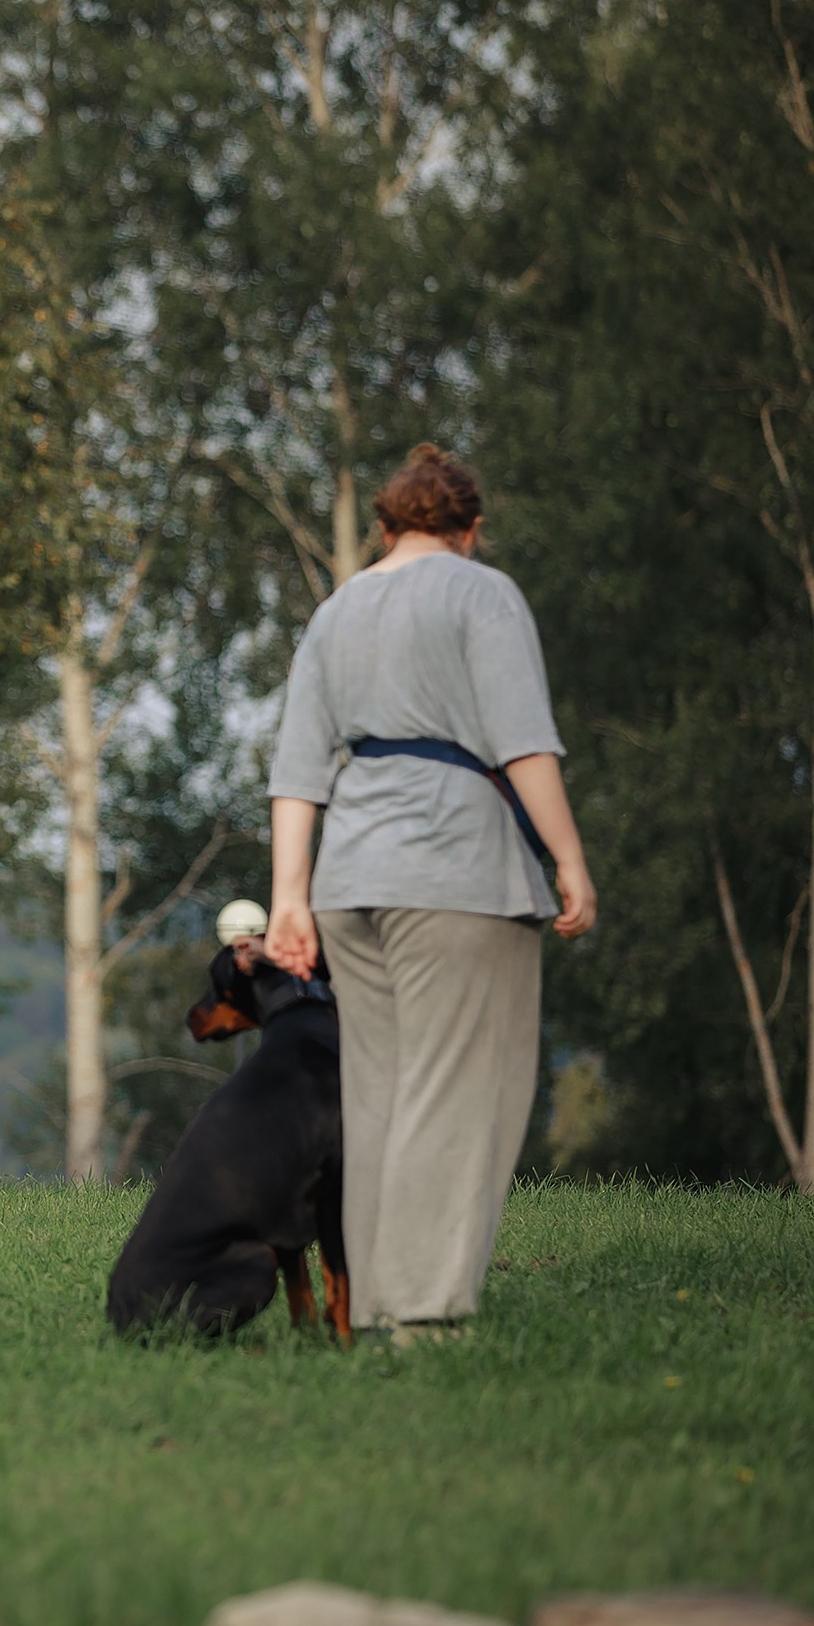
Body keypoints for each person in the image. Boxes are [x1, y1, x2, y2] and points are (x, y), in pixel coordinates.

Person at [261, 445, 596, 1343]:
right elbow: (523, 739)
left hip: (350, 880)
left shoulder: (337, 609)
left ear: (385, 527)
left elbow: (296, 769)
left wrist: (288, 898)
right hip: (454, 873)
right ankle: (426, 1316)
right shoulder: (482, 593)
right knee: (456, 1092)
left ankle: (373, 1308)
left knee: (378, 1095)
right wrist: (567, 855)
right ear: (470, 528)